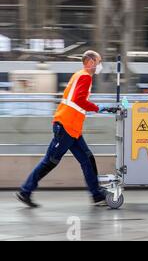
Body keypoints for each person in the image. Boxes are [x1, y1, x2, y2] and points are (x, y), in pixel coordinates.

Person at [16, 50, 111, 208]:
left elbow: (75, 100)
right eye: (99, 61)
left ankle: (96, 195)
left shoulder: (79, 75)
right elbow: (79, 100)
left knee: (87, 159)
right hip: (66, 127)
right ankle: (25, 191)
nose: (100, 65)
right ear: (91, 62)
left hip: (73, 129)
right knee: (50, 161)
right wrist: (98, 108)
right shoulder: (85, 76)